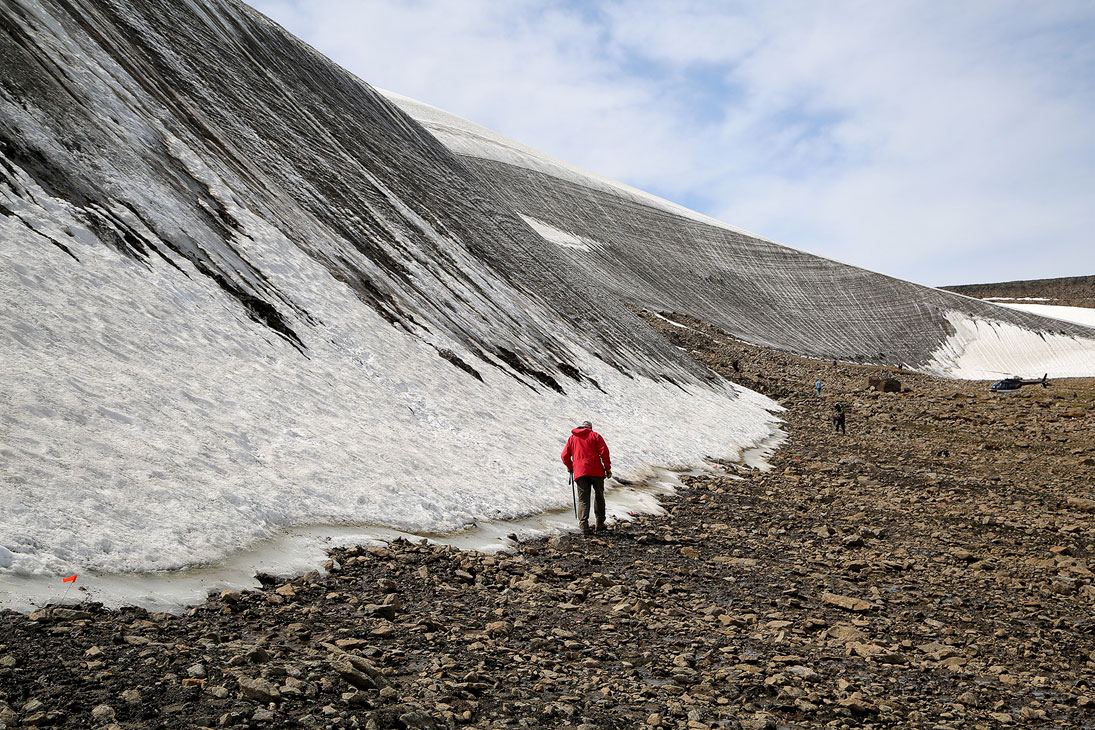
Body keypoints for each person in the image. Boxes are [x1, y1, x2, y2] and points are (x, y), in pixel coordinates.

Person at [561, 420, 612, 533]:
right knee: (599, 496)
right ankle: (600, 523)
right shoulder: (595, 436)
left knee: (583, 499)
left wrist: (570, 467)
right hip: (596, 471)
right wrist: (607, 468)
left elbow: (564, 455)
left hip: (580, 472)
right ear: (590, 428)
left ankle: (584, 525)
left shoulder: (572, 438)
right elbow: (604, 452)